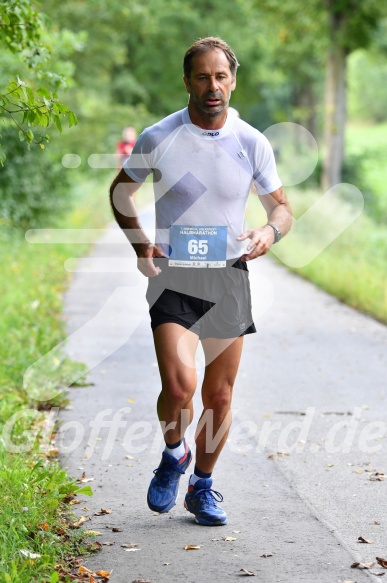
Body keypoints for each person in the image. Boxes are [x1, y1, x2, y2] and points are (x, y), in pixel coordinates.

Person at [109, 37, 292, 526]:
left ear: (232, 80)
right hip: (173, 275)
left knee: (219, 396)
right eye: (202, 77)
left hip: (228, 276)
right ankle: (174, 454)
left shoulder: (252, 141)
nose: (213, 87)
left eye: (221, 76)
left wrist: (269, 231)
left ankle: (203, 487)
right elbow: (121, 194)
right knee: (179, 382)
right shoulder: (158, 137)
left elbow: (282, 207)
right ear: (187, 80)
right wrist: (140, 245)